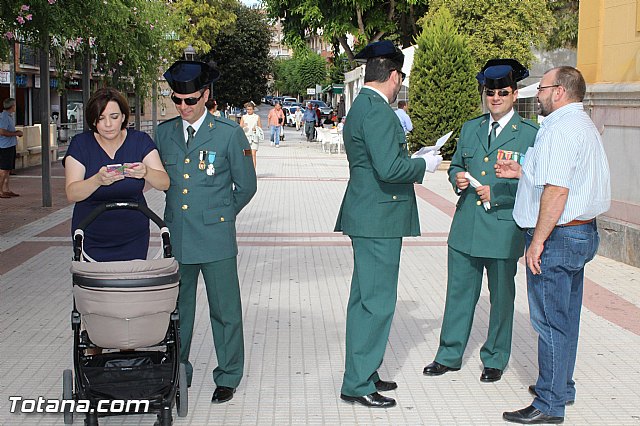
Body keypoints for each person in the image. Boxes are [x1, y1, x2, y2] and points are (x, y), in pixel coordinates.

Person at [496, 66, 610, 424]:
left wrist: (537, 242)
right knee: (566, 318)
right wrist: (524, 170)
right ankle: (561, 387)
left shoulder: (562, 129)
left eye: (542, 89)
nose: (538, 95)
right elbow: (559, 174)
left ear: (558, 91)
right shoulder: (579, 124)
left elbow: (558, 190)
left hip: (558, 237)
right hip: (578, 233)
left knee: (549, 322)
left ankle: (549, 404)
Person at [334, 40, 442, 409]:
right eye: (401, 79)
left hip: (369, 214)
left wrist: (411, 158)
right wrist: (423, 165)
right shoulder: (378, 111)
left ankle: (365, 368)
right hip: (378, 217)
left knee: (364, 299)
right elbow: (390, 168)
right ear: (394, 76)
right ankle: (358, 381)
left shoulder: (362, 105)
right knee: (376, 302)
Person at [423, 59, 538, 383]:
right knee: (458, 294)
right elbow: (457, 164)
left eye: (503, 92)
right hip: (467, 226)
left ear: (514, 95)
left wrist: (499, 193)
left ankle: (495, 358)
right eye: (491, 93)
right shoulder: (471, 127)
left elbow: (537, 181)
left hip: (503, 229)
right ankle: (448, 355)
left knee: (502, 299)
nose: (496, 98)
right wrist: (457, 177)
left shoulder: (529, 134)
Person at [155, 60, 257, 404]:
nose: (183, 107)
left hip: (215, 238)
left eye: (191, 100)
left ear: (206, 96)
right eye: (177, 100)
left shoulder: (229, 133)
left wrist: (219, 215)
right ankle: (176, 371)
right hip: (179, 237)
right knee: (177, 310)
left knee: (225, 310)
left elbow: (246, 186)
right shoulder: (164, 133)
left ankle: (228, 375)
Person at [63, 88, 169, 261]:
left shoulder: (140, 141)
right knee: (94, 286)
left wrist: (146, 172)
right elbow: (72, 193)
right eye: (101, 118)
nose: (108, 125)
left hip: (134, 235)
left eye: (114, 117)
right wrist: (97, 180)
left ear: (123, 117)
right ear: (93, 121)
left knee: (130, 285)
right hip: (91, 234)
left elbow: (164, 183)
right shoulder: (81, 144)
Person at [0, 98, 22, 198]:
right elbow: (2, 132)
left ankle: (6, 189)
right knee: (3, 169)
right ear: (12, 106)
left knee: (8, 169)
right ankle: (0, 190)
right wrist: (15, 133)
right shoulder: (4, 117)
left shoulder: (9, 117)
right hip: (5, 146)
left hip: (10, 145)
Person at [239, 101, 263, 169]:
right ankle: (247, 170)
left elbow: (260, 127)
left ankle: (253, 171)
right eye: (247, 109)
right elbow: (239, 128)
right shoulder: (244, 117)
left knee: (253, 154)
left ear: (253, 109)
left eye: (250, 109)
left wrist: (256, 129)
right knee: (247, 155)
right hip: (246, 137)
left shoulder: (257, 117)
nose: (248, 111)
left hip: (254, 138)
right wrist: (243, 126)